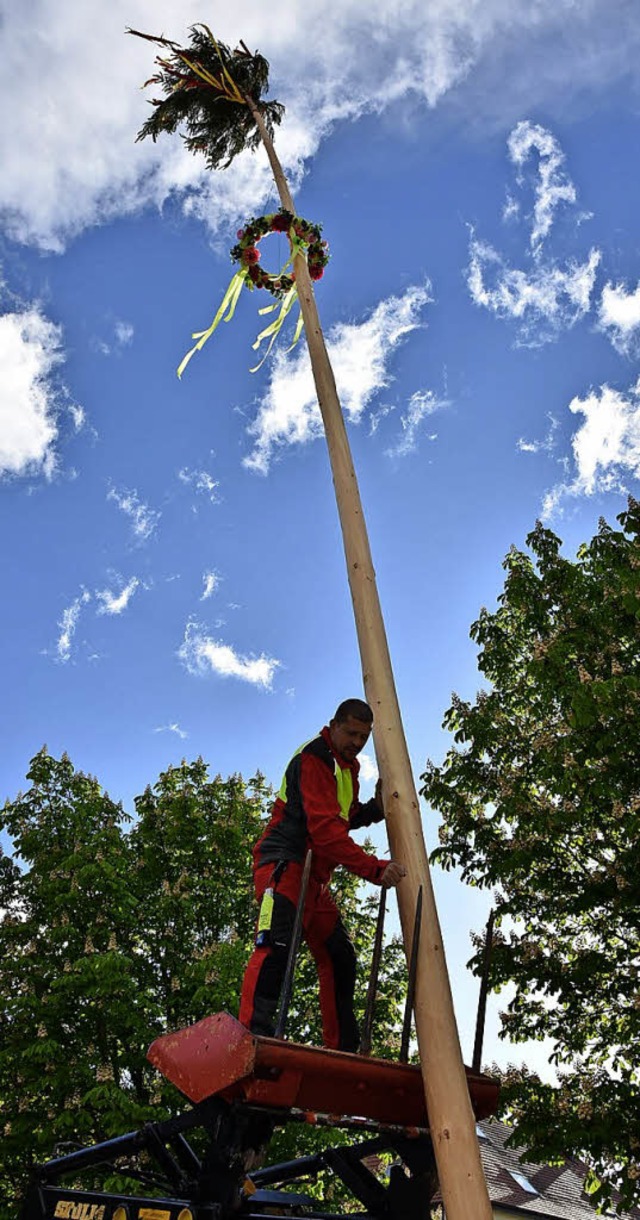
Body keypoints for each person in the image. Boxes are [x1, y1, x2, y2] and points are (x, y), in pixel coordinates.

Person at [238, 698, 406, 1052]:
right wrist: (376, 869)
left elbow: (341, 817)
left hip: (314, 879)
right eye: (351, 733)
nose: (357, 742)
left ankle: (342, 1048)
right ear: (333, 724)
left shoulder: (347, 767)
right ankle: (253, 1038)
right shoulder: (316, 758)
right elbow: (326, 833)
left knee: (339, 955)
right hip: (284, 865)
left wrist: (374, 810)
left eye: (364, 736)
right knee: (276, 947)